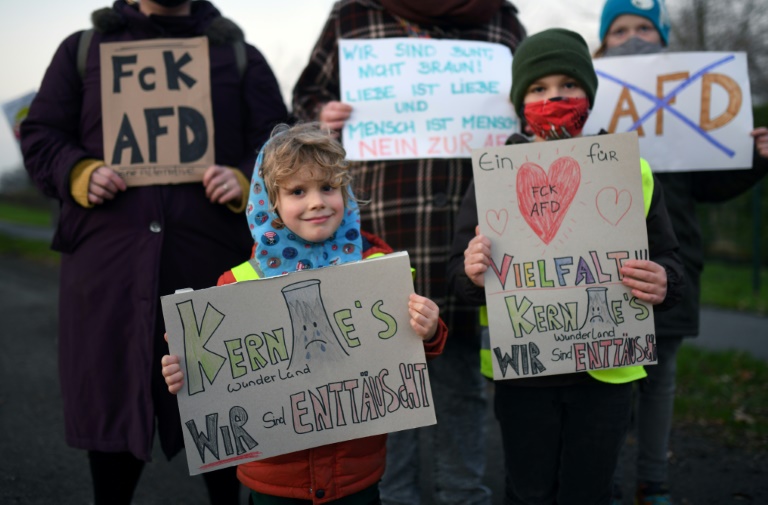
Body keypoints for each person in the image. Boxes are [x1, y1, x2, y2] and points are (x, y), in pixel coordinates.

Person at [19, 1, 288, 503]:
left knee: (230, 427)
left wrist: (248, 178)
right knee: (112, 415)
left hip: (214, 273)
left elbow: (278, 140)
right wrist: (76, 171)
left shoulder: (238, 55)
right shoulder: (83, 52)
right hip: (109, 275)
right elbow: (40, 135)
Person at [291, 2, 526, 504]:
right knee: (382, 387)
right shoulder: (353, 15)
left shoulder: (501, 22)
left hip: (470, 240)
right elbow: (307, 97)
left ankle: (465, 494)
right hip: (377, 234)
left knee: (461, 386)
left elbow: (528, 103)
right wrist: (320, 117)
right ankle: (388, 496)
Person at [447, 28, 686, 505]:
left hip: (609, 371)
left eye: (567, 84)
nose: (553, 95)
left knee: (591, 489)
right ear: (520, 101)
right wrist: (472, 272)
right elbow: (460, 273)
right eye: (538, 88)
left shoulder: (627, 169)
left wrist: (665, 281)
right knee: (529, 489)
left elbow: (668, 259)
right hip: (526, 371)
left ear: (589, 96)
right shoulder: (496, 174)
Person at [161, 121, 449, 504]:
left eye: (328, 187)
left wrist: (428, 329)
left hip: (356, 477)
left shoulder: (376, 267)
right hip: (274, 481)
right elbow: (212, 382)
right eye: (298, 191)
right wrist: (187, 369)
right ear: (271, 202)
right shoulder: (235, 285)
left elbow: (410, 349)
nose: (316, 201)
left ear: (345, 192)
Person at [594, 1, 768, 503]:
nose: (632, 38)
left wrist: (753, 160)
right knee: (606, 383)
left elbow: (710, 185)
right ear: (604, 42)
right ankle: (601, 479)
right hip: (604, 270)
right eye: (620, 29)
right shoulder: (588, 100)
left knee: (659, 379)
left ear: (664, 38)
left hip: (674, 263)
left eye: (644, 27)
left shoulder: (691, 102)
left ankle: (654, 480)